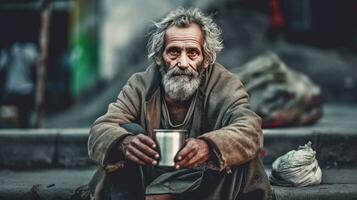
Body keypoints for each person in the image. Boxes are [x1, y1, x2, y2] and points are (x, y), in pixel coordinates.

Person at [88, 8, 272, 200]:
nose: (183, 63)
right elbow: (101, 127)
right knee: (127, 130)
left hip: (208, 180)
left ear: (206, 59)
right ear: (160, 57)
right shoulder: (140, 85)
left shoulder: (225, 83)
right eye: (174, 52)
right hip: (152, 176)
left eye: (192, 53)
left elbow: (250, 128)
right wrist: (123, 142)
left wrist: (210, 145)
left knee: (237, 152)